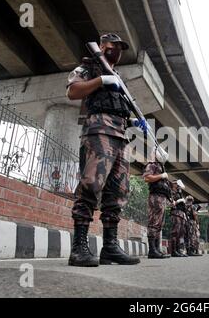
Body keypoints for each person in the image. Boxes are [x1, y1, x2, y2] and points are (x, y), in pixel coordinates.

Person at [66, 33, 144, 267]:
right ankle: (79, 248)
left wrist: (135, 123)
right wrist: (100, 81)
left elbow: (119, 106)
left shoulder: (118, 78)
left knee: (117, 193)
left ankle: (110, 248)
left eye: (120, 48)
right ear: (102, 46)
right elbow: (73, 92)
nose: (116, 51)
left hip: (121, 137)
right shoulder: (89, 68)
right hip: (99, 130)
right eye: (112, 46)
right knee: (91, 185)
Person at [142, 149, 171, 259]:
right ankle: (152, 250)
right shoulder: (152, 164)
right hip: (155, 197)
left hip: (162, 198)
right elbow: (147, 178)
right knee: (154, 223)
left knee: (159, 224)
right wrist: (161, 176)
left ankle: (157, 249)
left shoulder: (161, 166)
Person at [170, 180, 187, 257]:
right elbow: (171, 203)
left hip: (181, 214)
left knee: (180, 234)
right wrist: (179, 200)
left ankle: (178, 250)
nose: (178, 186)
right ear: (173, 184)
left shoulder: (179, 192)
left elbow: (183, 187)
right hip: (176, 213)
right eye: (176, 184)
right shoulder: (171, 192)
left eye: (178, 184)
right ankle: (173, 251)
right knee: (175, 233)